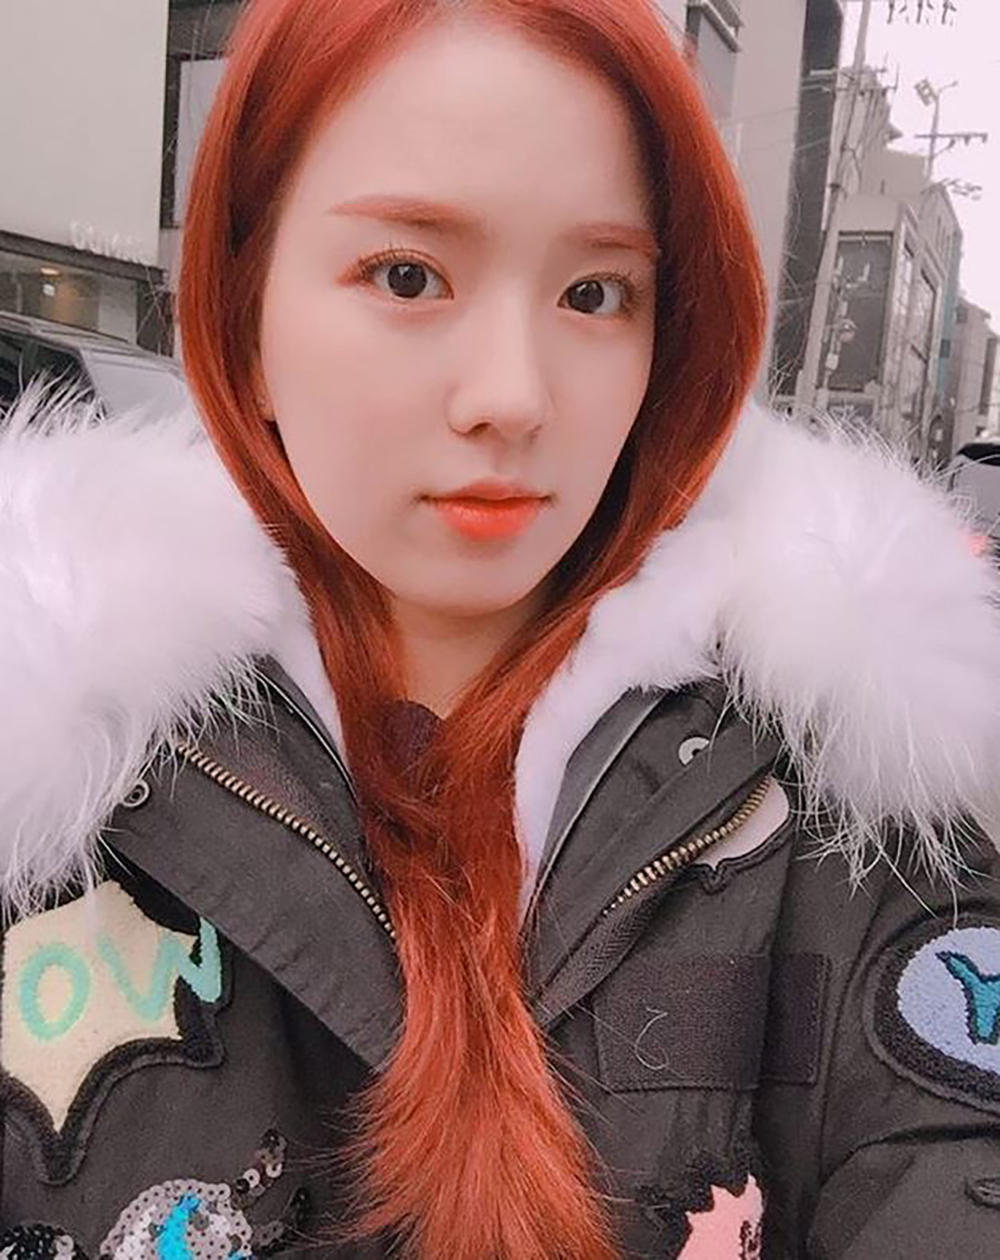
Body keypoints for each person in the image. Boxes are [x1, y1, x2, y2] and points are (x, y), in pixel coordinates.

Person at [2, 0, 1000, 1256]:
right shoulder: (52, 785)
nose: (514, 397)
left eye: (594, 292)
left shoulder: (842, 802)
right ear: (245, 322)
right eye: (407, 276)